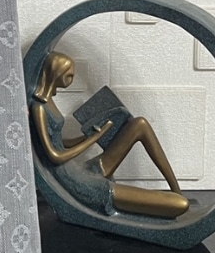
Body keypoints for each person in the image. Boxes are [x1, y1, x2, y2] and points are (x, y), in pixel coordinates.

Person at [30, 52, 189, 219]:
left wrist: (90, 135)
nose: (72, 79)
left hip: (84, 171)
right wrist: (93, 140)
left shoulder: (48, 102)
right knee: (180, 205)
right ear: (55, 74)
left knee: (139, 124)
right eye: (68, 75)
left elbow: (59, 142)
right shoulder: (39, 108)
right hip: (80, 185)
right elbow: (55, 156)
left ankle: (176, 189)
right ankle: (175, 198)